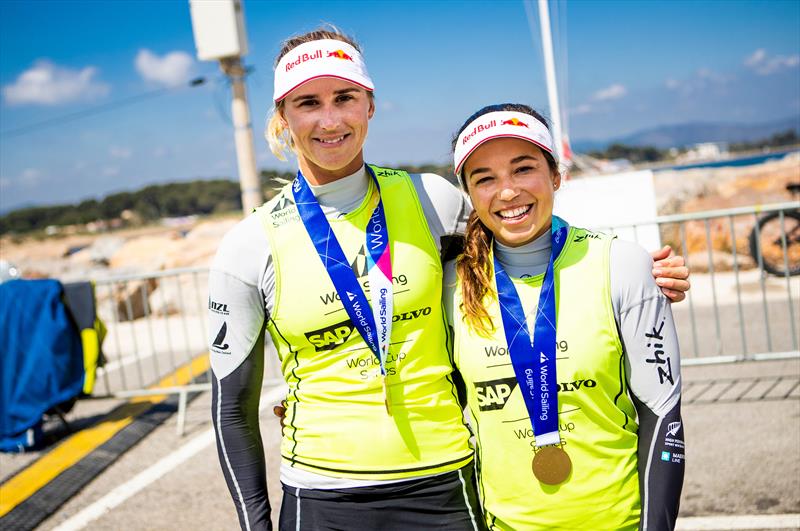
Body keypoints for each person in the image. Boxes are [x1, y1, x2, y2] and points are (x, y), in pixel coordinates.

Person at [208, 28, 690, 531]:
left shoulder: (432, 199)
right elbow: (231, 413)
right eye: (308, 103)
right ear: (284, 117)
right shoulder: (248, 246)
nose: (330, 119)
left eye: (345, 97)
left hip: (445, 486)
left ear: (369, 105)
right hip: (322, 496)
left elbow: (519, 232)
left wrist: (633, 272)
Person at [446, 103, 684, 530]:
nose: (507, 191)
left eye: (523, 169)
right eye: (485, 178)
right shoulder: (452, 284)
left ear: (556, 176)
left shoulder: (621, 265)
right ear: (468, 192)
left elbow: (663, 420)